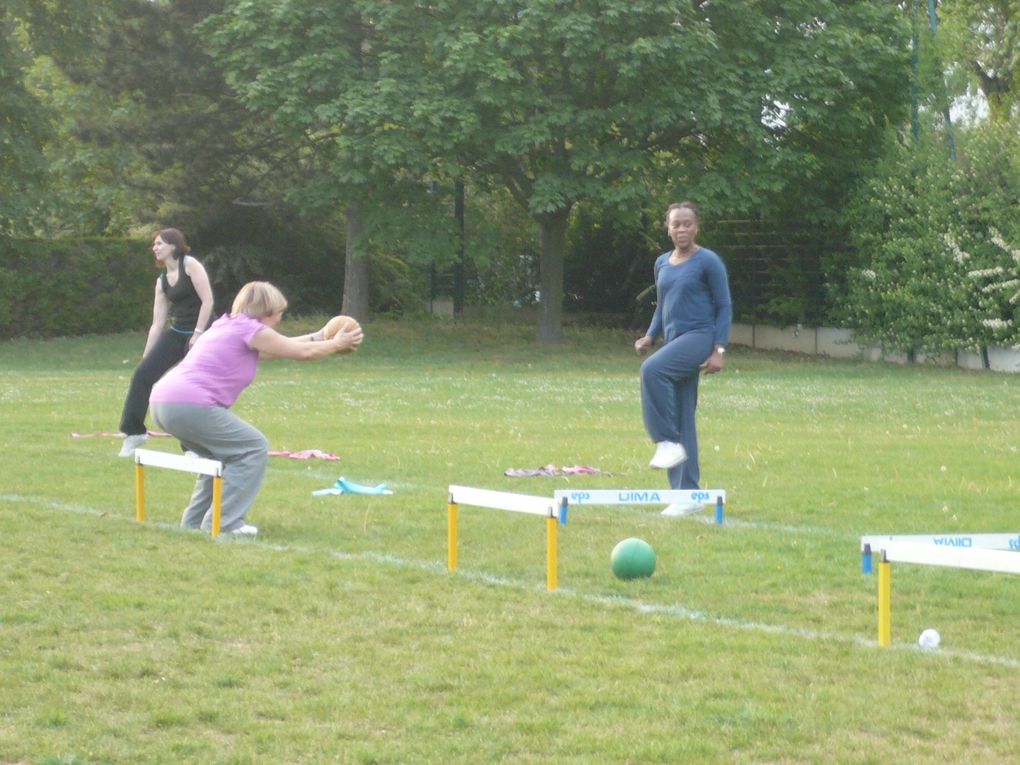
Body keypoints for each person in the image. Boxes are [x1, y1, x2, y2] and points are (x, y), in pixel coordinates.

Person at [149, 281, 364, 536]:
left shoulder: (227, 324)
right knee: (253, 447)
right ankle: (226, 524)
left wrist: (320, 336)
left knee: (217, 456)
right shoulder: (251, 330)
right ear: (269, 311)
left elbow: (280, 348)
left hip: (163, 402)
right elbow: (302, 353)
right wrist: (337, 344)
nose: (279, 319)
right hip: (190, 404)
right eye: (279, 313)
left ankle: (194, 523)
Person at [635, 202, 732, 517]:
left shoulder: (708, 261)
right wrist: (650, 335)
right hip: (675, 340)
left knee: (652, 371)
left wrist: (719, 349)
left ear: (696, 227)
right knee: (683, 417)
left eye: (687, 224)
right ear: (668, 228)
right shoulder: (662, 262)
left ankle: (664, 440)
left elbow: (724, 305)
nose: (682, 230)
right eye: (676, 224)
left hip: (700, 336)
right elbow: (662, 305)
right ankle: (687, 495)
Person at [118, 228, 214, 457]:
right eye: (155, 244)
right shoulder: (161, 282)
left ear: (173, 246)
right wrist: (147, 356)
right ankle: (134, 433)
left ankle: (191, 448)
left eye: (159, 243)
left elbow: (207, 301)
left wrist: (199, 333)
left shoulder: (190, 265)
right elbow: (156, 324)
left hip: (203, 333)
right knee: (142, 376)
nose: (155, 248)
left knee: (189, 388)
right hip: (178, 332)